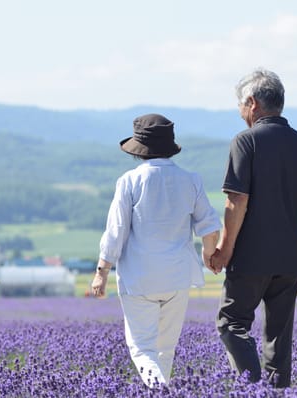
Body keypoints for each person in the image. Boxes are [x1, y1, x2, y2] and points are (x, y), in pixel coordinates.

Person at [210, 68, 297, 388]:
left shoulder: (245, 142)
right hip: (290, 256)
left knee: (231, 323)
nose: (240, 112)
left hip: (250, 255)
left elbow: (236, 201)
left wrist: (225, 249)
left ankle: (253, 388)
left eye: (240, 105)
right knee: (279, 334)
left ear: (252, 103)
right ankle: (277, 391)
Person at [91, 113, 221, 387]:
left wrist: (101, 272)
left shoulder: (129, 181)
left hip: (140, 279)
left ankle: (163, 391)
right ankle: (162, 389)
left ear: (139, 150)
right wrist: (209, 255)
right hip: (177, 278)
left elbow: (115, 231)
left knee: (142, 349)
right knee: (165, 350)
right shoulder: (191, 180)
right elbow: (210, 226)